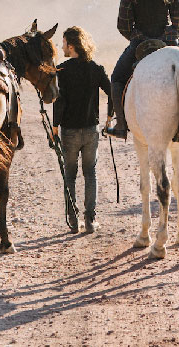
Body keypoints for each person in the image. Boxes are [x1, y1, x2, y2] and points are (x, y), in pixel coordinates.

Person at [104, 0, 179, 139]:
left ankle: (122, 126)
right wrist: (168, 36)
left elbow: (123, 26)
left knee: (116, 79)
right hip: (168, 44)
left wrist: (138, 38)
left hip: (140, 46)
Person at [52, 26, 111, 234]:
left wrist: (54, 126)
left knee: (70, 175)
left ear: (71, 45)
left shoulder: (62, 70)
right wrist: (109, 118)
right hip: (91, 130)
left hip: (69, 131)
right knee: (90, 174)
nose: (61, 47)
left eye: (63, 43)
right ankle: (90, 220)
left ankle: (73, 220)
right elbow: (111, 92)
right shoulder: (96, 68)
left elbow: (59, 101)